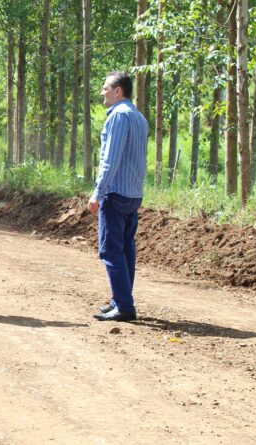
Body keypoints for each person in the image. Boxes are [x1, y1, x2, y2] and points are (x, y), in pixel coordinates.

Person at [88, 71, 149, 322]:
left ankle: (124, 305)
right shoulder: (139, 117)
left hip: (115, 193)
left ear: (117, 91)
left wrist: (97, 193)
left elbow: (109, 160)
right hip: (134, 194)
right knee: (126, 250)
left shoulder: (117, 117)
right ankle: (120, 300)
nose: (102, 93)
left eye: (105, 88)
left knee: (111, 251)